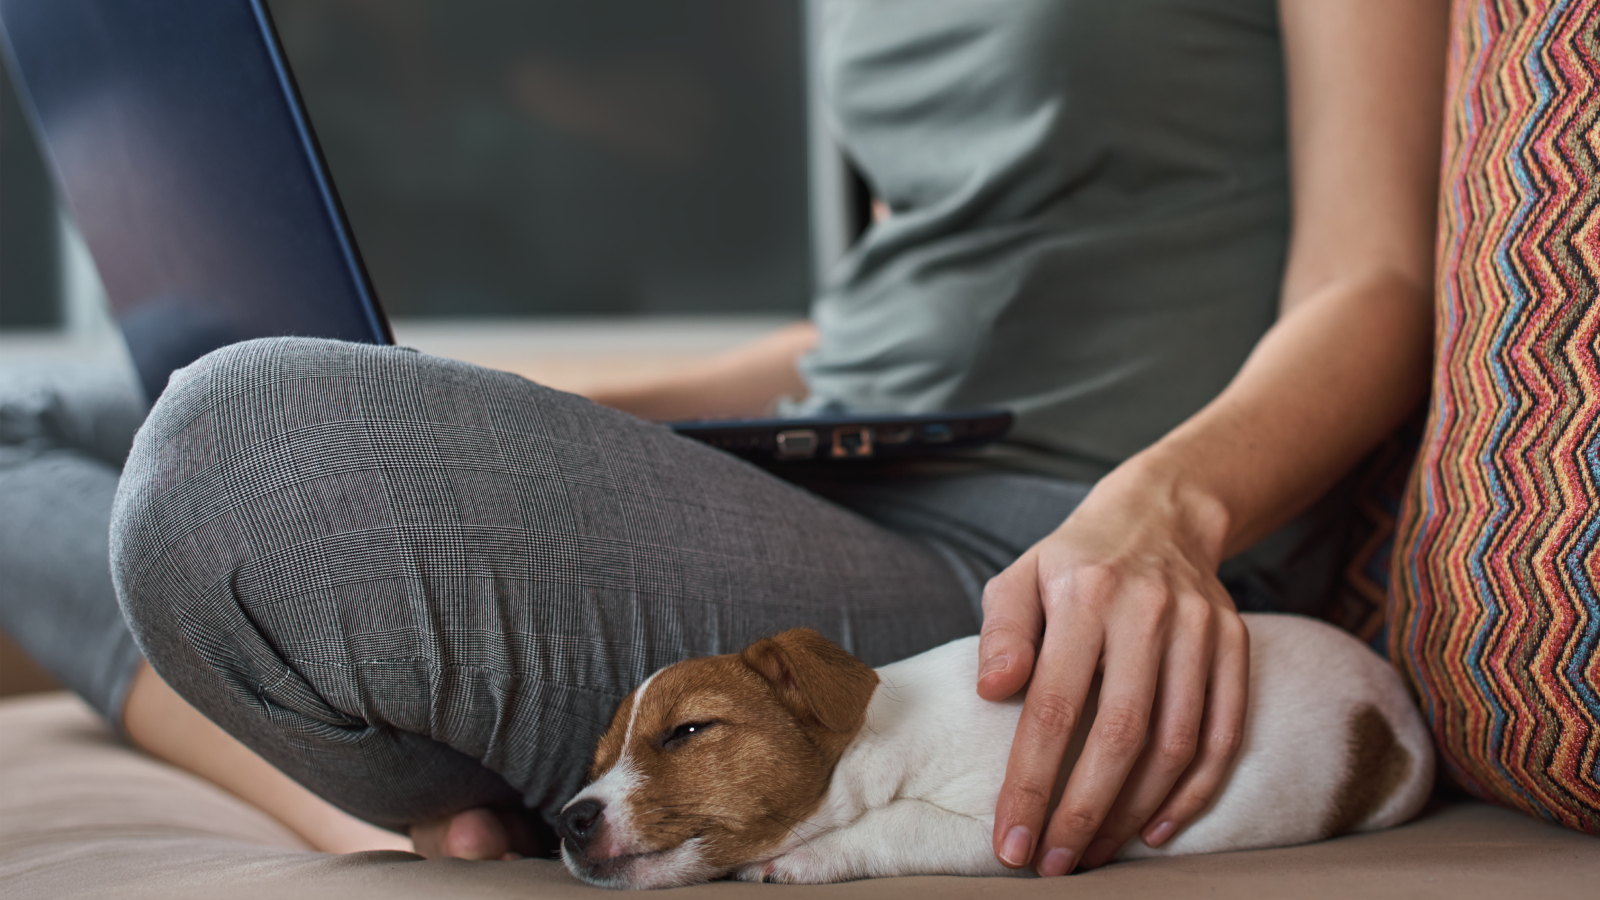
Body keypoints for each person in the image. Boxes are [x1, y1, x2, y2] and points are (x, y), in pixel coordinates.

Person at [0, 0, 1448, 876]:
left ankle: (362, 765)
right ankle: (347, 795)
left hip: (1052, 557)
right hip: (850, 467)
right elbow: (881, 321)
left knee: (240, 454)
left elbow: (1371, 278)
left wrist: (1167, 510)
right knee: (29, 419)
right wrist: (501, 423)